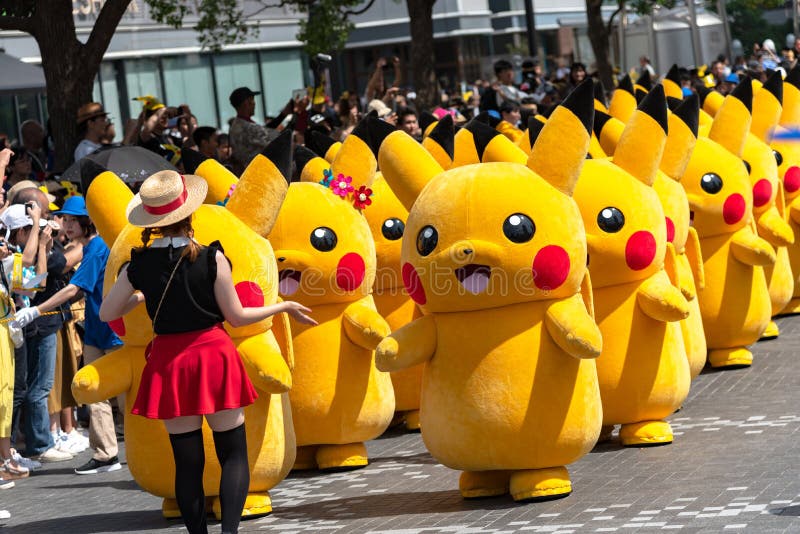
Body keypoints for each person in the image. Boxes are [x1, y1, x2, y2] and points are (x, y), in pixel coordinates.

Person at [98, 170, 316, 534]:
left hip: (170, 362)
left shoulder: (138, 264)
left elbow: (107, 313)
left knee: (187, 463)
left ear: (151, 219)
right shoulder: (211, 257)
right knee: (233, 453)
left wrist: (139, 296)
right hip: (213, 356)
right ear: (189, 213)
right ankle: (229, 531)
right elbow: (237, 316)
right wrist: (282, 308)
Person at [12, 195, 122, 475]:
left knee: (123, 397)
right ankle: (106, 454)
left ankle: (147, 449)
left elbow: (74, 288)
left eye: (73, 220)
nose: (67, 224)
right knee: (94, 393)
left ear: (88, 222)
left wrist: (36, 311)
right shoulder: (90, 248)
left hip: (114, 332)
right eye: (66, 219)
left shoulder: (97, 248)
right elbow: (47, 279)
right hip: (98, 332)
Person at [228, 87, 275, 175]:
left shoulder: (236, 125)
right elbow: (273, 144)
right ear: (246, 103)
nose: (254, 104)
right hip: (259, 172)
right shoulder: (248, 127)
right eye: (252, 100)